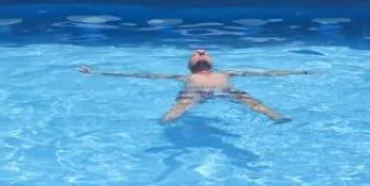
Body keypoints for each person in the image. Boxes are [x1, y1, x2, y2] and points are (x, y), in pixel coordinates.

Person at [77, 49, 307, 124]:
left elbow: (267, 73)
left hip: (227, 90)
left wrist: (299, 71)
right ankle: (167, 121)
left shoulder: (227, 73)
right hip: (194, 92)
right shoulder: (183, 77)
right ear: (190, 66)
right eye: (196, 54)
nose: (200, 52)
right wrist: (98, 72)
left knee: (252, 101)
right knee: (181, 106)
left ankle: (275, 117)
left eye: (204, 53)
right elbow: (144, 75)